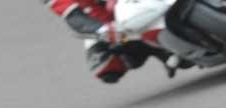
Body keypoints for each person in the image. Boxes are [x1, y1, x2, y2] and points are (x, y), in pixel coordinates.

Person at [42, 0, 177, 83]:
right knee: (107, 68)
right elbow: (73, 17)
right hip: (111, 22)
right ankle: (157, 49)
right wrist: (102, 30)